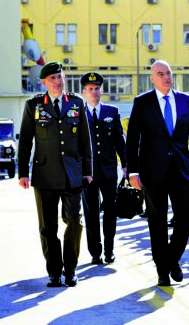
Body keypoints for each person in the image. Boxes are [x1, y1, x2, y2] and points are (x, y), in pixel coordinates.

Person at [126, 60, 189, 286]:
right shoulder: (142, 102)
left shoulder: (185, 101)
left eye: (168, 72)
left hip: (181, 170)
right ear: (152, 78)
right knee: (157, 222)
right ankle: (162, 269)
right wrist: (133, 172)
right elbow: (132, 140)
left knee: (186, 216)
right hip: (152, 171)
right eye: (160, 73)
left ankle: (171, 259)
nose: (166, 77)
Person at [18, 61, 93, 287]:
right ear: (44, 82)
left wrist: (88, 171)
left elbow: (85, 140)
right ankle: (54, 271)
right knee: (47, 226)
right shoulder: (34, 105)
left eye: (60, 77)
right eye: (53, 78)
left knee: (74, 222)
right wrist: (23, 172)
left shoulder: (77, 104)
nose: (58, 81)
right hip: (44, 175)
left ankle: (70, 270)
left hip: (73, 174)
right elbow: (26, 141)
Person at [80, 72, 127, 265]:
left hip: (108, 172)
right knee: (91, 214)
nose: (94, 92)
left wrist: (125, 165)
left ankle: (109, 250)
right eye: (90, 89)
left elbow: (119, 141)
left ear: (101, 90)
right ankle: (95, 252)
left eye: (97, 88)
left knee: (110, 212)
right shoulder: (77, 114)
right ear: (83, 92)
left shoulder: (112, 112)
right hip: (87, 173)